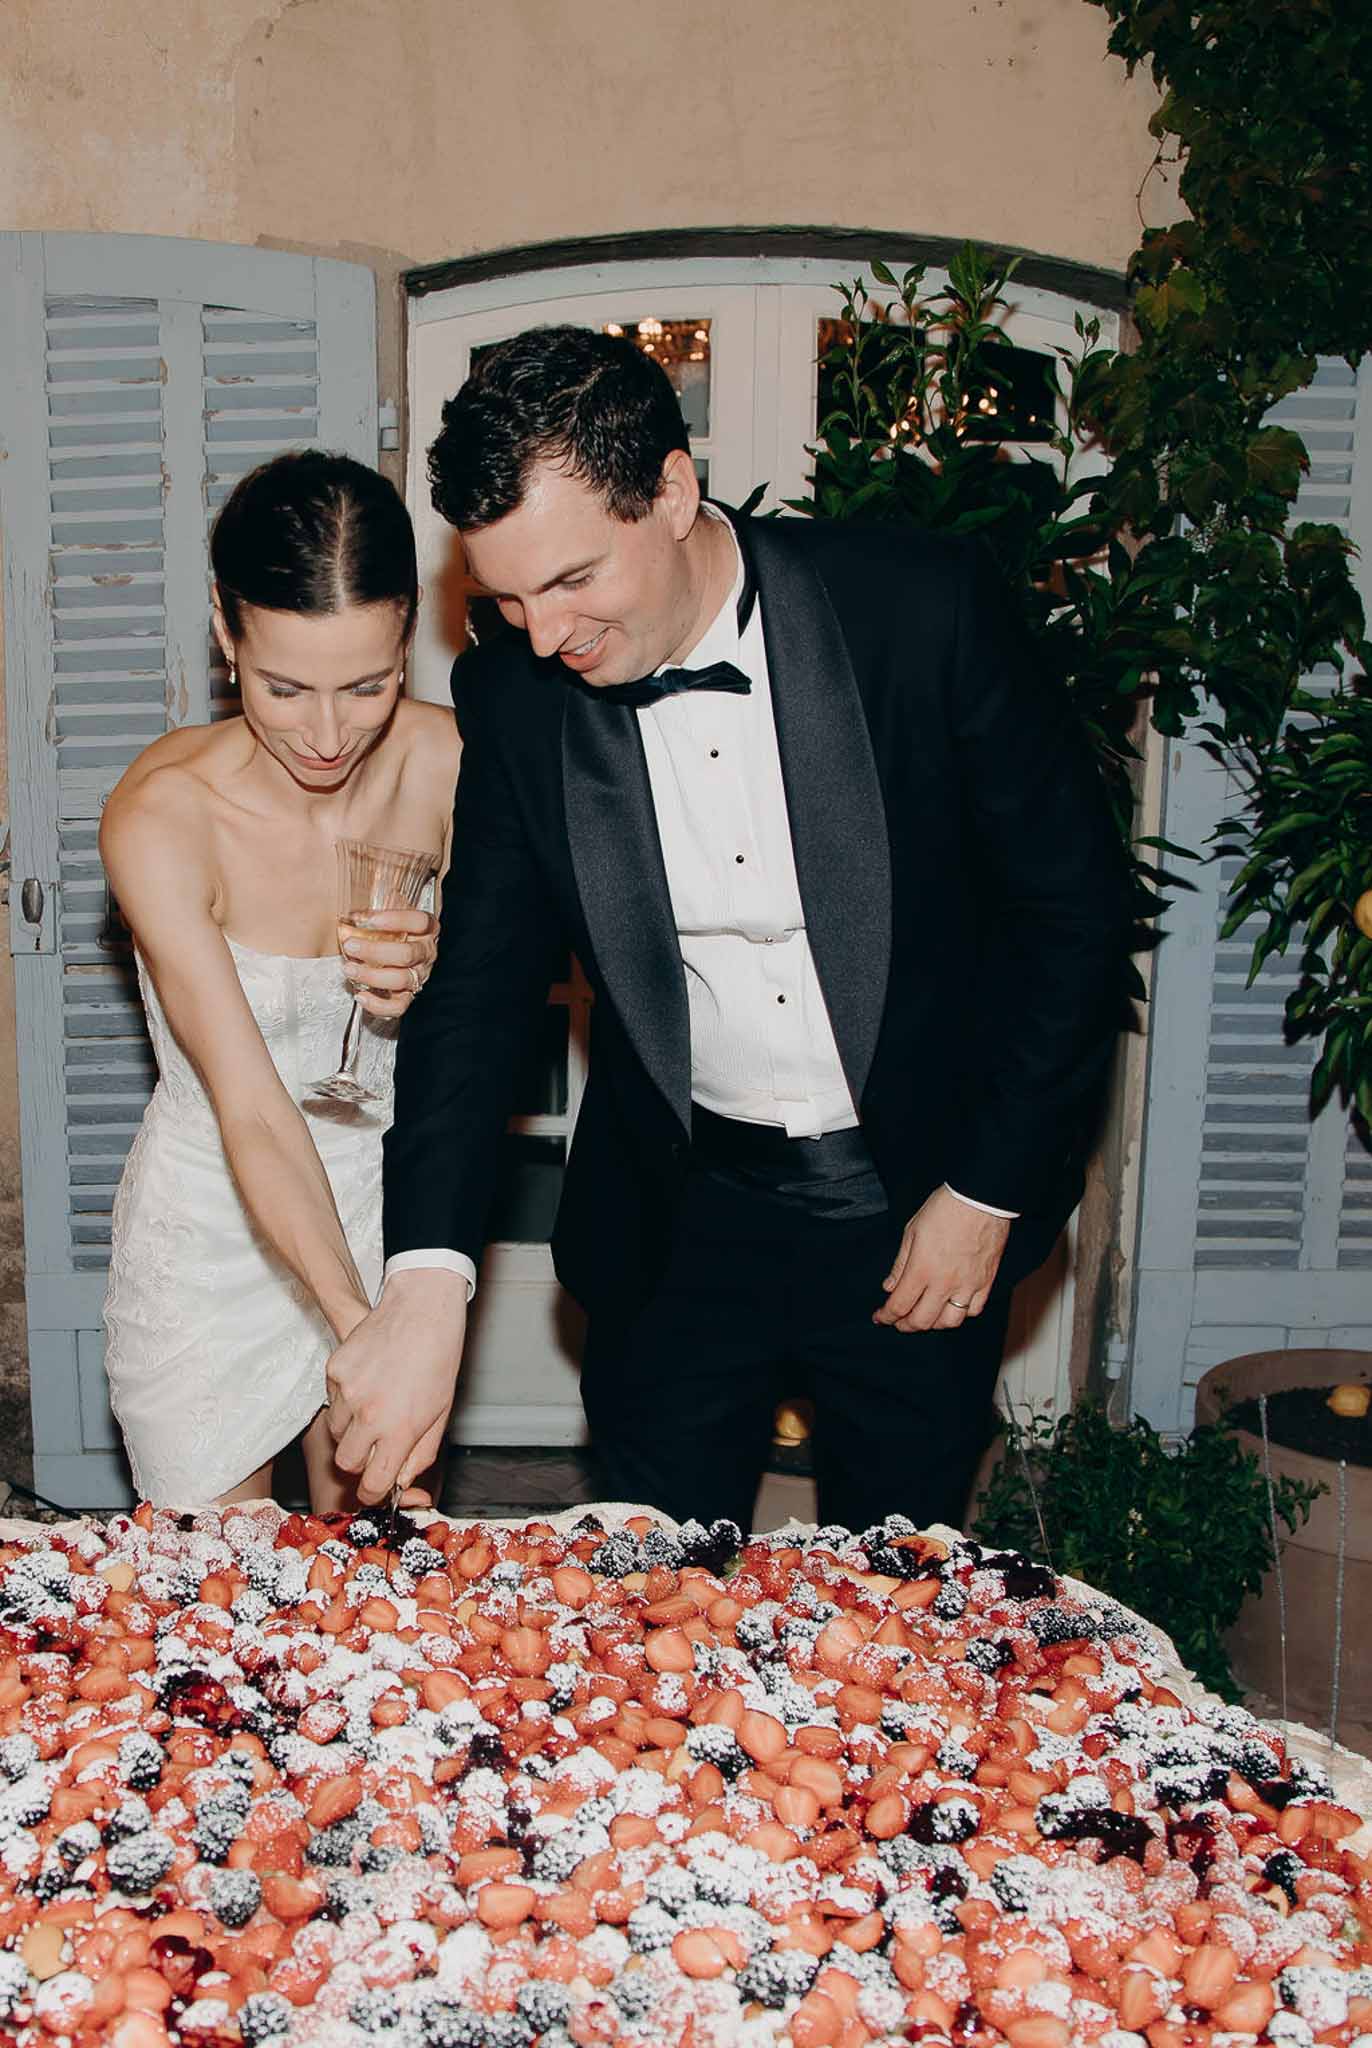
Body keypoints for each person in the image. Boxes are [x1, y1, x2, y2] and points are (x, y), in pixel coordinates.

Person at [325, 325, 1132, 1530]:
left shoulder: (919, 611)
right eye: (506, 599)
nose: (545, 636)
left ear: (672, 490)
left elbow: (1073, 911)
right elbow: (481, 993)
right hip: (678, 1224)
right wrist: (427, 1280)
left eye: (573, 580)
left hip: (917, 1200)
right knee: (651, 1609)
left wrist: (989, 1186)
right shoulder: (518, 696)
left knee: (898, 1604)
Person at [101, 449, 459, 1510]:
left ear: (407, 634)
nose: (327, 732)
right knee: (215, 1607)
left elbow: (535, 992)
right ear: (226, 631)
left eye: (368, 683)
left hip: (388, 1201)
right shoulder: (163, 814)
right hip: (215, 1223)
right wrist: (368, 1331)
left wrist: (444, 964)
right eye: (283, 686)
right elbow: (251, 1107)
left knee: (375, 1596)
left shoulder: (453, 765)